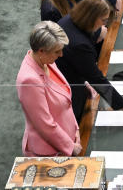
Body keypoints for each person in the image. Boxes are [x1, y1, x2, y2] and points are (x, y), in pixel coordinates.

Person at [56, 0, 123, 123]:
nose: (105, 24)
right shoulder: (80, 45)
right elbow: (98, 80)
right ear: (91, 18)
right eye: (104, 20)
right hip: (68, 89)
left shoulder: (70, 19)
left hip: (70, 76)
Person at [16, 21, 81, 157]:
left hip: (68, 138)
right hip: (49, 151)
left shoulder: (45, 61)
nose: (61, 55)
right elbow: (44, 124)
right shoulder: (29, 80)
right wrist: (70, 146)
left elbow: (65, 100)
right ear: (41, 51)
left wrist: (75, 128)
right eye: (57, 51)